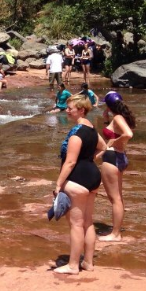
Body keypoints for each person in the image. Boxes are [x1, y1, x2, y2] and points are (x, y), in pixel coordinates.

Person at [52, 95, 106, 275]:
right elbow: (103, 147)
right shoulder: (91, 129)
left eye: (70, 108)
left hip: (77, 179)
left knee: (76, 223)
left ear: (81, 110)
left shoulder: (76, 134)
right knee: (88, 221)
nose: (67, 111)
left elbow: (70, 163)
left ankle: (73, 265)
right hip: (93, 177)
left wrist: (58, 184)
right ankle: (88, 263)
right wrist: (90, 159)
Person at [98, 92, 135, 242]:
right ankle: (116, 230)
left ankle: (115, 234)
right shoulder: (121, 117)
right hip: (120, 157)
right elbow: (115, 132)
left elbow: (128, 134)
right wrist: (106, 120)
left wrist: (115, 141)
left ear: (108, 104)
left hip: (112, 157)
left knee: (115, 199)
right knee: (118, 198)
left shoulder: (118, 118)